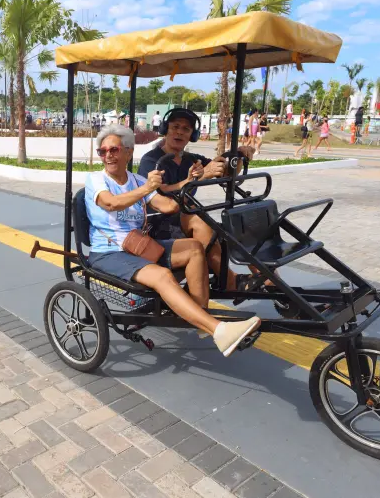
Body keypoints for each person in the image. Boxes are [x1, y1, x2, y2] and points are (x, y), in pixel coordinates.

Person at [88, 123, 261, 356]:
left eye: (114, 150)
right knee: (163, 276)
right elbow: (111, 203)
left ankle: (201, 319)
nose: (108, 155)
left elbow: (168, 206)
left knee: (195, 248)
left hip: (138, 246)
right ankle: (218, 330)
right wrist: (147, 188)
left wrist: (190, 181)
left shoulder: (136, 180)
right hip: (109, 252)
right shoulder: (96, 180)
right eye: (103, 151)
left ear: (128, 152)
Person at [137, 108, 258, 292]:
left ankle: (269, 281)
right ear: (166, 129)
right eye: (175, 127)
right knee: (198, 219)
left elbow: (225, 172)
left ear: (191, 135)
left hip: (185, 219)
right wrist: (201, 176)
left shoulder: (192, 159)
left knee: (233, 227)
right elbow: (159, 193)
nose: (179, 132)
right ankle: (229, 281)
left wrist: (239, 155)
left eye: (185, 129)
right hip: (157, 224)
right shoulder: (152, 160)